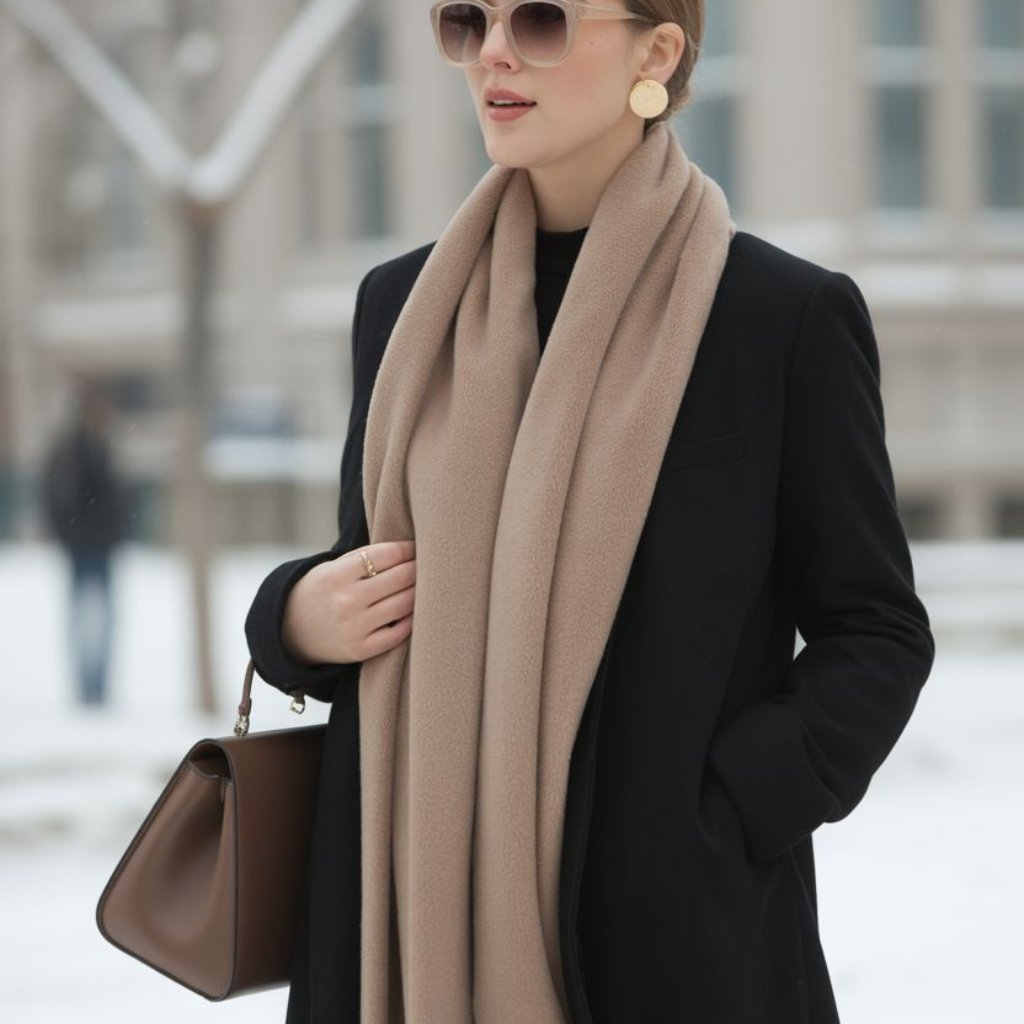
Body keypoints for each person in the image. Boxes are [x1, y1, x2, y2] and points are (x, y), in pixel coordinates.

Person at [246, 2, 935, 1021]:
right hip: (403, 927)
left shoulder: (776, 319)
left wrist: (723, 807)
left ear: (656, 52)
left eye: (541, 19)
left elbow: (874, 632)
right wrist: (293, 616)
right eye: (466, 19)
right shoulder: (403, 310)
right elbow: (374, 566)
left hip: (673, 944)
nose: (492, 51)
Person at [43, 386, 128, 706]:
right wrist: (72, 533)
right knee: (88, 618)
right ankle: (89, 688)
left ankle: (95, 687)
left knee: (98, 618)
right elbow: (60, 498)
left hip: (98, 544)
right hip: (85, 546)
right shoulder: (76, 451)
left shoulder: (97, 447)